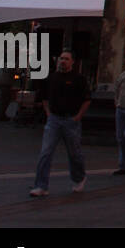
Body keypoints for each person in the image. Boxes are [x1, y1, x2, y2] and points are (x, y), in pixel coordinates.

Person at [29, 50, 90, 197]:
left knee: (74, 153)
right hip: (54, 119)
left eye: (66, 59)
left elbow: (87, 99)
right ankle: (41, 185)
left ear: (72, 62)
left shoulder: (79, 79)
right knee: (46, 152)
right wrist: (48, 113)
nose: (63, 61)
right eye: (61, 58)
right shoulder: (52, 78)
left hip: (71, 119)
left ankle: (79, 177)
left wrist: (78, 117)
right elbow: (44, 97)